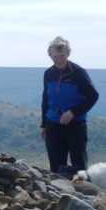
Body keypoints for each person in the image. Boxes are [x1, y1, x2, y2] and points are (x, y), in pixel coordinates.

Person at [40, 36, 98, 176]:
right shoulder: (48, 74)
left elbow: (93, 96)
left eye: (62, 55)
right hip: (53, 125)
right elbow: (46, 99)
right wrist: (43, 124)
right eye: (55, 55)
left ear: (68, 54)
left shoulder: (78, 73)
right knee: (56, 166)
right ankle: (58, 196)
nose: (59, 58)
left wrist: (73, 112)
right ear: (50, 54)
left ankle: (82, 195)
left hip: (75, 125)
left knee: (79, 166)